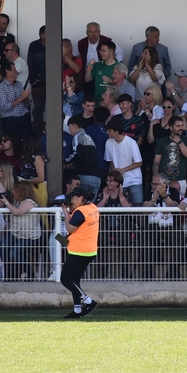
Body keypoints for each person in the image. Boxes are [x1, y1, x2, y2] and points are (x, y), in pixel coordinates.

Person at [59, 187, 101, 319]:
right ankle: (77, 310)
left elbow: (70, 227)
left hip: (79, 250)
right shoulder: (92, 207)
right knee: (75, 280)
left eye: (73, 198)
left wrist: (66, 213)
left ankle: (88, 301)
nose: (71, 200)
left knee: (65, 279)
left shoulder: (80, 211)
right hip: (89, 250)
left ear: (81, 198)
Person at [3, 180, 42, 281]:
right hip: (15, 232)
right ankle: (10, 275)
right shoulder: (17, 202)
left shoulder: (29, 202)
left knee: (14, 253)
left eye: (15, 190)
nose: (13, 192)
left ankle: (30, 273)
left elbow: (17, 212)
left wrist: (6, 202)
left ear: (21, 191)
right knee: (3, 247)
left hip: (29, 235)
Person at [104, 119, 144, 205]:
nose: (107, 132)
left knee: (138, 207)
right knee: (121, 208)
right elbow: (109, 161)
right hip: (119, 181)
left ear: (116, 131)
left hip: (134, 180)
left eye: (109, 130)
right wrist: (115, 173)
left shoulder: (131, 142)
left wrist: (122, 170)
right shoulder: (108, 142)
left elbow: (139, 162)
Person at [153, 116, 187, 196]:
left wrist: (179, 141)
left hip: (180, 180)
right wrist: (155, 177)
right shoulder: (162, 141)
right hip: (163, 180)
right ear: (170, 127)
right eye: (178, 126)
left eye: (182, 125)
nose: (181, 128)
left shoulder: (186, 140)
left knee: (178, 203)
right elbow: (156, 161)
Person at [0, 60, 32, 137]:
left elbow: (26, 103)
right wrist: (20, 99)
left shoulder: (18, 84)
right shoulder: (1, 88)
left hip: (23, 118)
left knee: (26, 144)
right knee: (13, 145)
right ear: (7, 71)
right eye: (14, 69)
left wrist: (26, 98)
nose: (17, 72)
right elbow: (4, 107)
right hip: (10, 121)